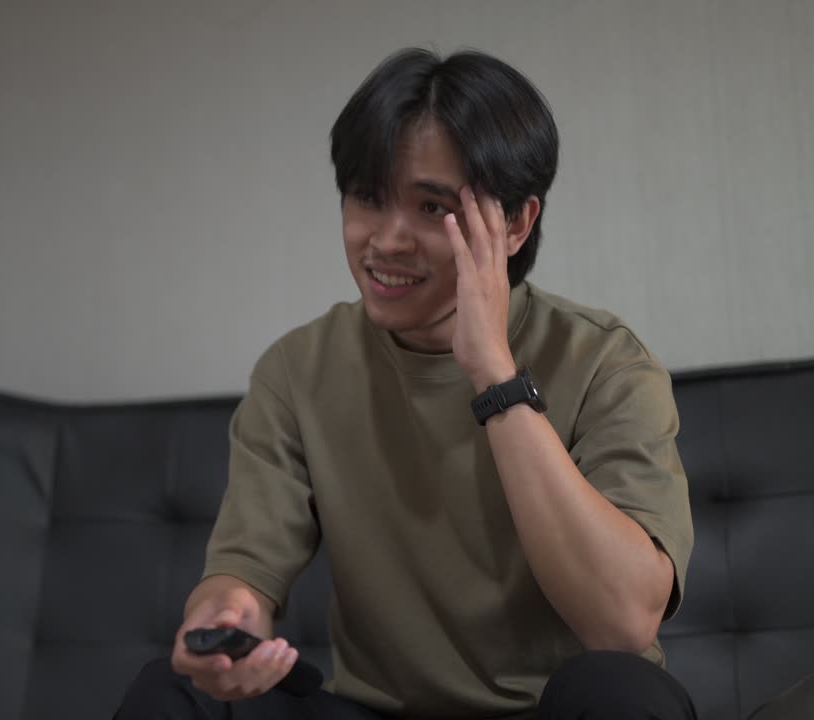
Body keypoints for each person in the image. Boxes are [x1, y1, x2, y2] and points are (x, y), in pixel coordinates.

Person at [116, 47, 696, 720]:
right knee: (171, 690)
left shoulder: (606, 363)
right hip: (374, 712)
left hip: (550, 712)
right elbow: (244, 572)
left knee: (623, 697)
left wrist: (493, 374)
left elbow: (622, 622)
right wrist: (221, 626)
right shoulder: (297, 372)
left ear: (515, 223)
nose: (386, 240)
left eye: (430, 207)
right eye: (368, 197)